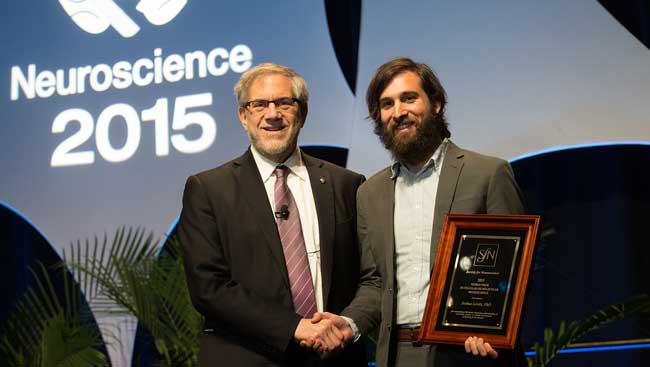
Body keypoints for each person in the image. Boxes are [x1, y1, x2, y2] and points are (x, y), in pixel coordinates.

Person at [327, 57, 527, 366]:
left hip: (469, 353)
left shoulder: (488, 174)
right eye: (387, 104)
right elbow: (375, 283)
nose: (399, 112)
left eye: (409, 98)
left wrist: (493, 328)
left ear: (435, 103)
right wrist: (349, 323)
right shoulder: (370, 193)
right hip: (397, 355)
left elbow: (515, 271)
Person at [178, 63, 372, 366]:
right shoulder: (207, 190)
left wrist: (348, 324)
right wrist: (294, 327)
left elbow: (370, 277)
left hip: (335, 358)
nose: (272, 114)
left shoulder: (347, 184)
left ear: (302, 113)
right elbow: (208, 288)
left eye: (284, 102)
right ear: (243, 116)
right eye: (259, 105)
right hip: (248, 357)